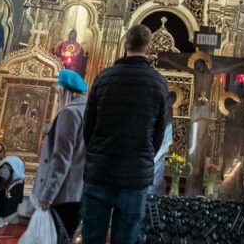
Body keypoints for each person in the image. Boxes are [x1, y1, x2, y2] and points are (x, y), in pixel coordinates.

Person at [82, 23, 168, 244]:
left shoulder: (103, 78)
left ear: (125, 44)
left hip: (100, 171)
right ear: (149, 48)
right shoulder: (158, 83)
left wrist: (96, 155)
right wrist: (144, 156)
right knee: (126, 239)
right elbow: (159, 134)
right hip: (135, 176)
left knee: (92, 237)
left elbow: (88, 128)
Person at [32, 69, 89, 241]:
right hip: (81, 190)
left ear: (64, 91)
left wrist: (47, 195)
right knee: (68, 236)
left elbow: (61, 159)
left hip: (64, 194)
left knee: (57, 237)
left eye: (58, 93)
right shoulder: (89, 109)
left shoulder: (70, 113)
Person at [151, 90, 176, 195]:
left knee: (157, 162)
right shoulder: (168, 108)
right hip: (163, 135)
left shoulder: (160, 107)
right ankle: (154, 190)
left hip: (159, 136)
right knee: (158, 161)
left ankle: (154, 188)